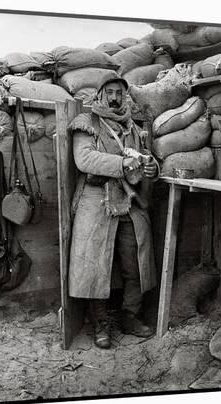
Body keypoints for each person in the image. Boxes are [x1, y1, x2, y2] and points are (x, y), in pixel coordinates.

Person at [67, 71, 159, 349]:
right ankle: (101, 323)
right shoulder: (87, 123)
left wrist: (151, 167)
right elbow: (84, 159)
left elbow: (144, 159)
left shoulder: (133, 127)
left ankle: (130, 316)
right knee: (96, 265)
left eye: (120, 92)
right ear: (100, 95)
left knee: (135, 264)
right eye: (110, 92)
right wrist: (123, 164)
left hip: (129, 201)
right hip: (97, 201)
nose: (116, 98)